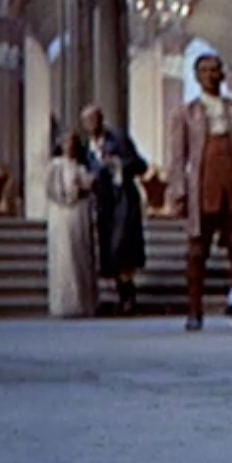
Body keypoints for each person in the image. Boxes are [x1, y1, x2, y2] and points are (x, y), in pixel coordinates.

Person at [168, 54, 232, 331]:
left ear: (223, 74)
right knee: (197, 253)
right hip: (203, 188)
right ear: (197, 76)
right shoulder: (186, 113)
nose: (210, 75)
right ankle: (194, 311)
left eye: (215, 70)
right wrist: (179, 192)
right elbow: (178, 157)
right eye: (204, 70)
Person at [80, 105, 147, 315]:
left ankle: (129, 296)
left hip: (124, 199)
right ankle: (122, 294)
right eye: (87, 121)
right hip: (104, 203)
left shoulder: (118, 139)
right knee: (109, 250)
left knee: (123, 246)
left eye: (94, 119)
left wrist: (118, 164)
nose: (91, 124)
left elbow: (140, 165)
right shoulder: (87, 147)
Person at [46, 131, 97, 318]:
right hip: (63, 215)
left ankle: (84, 303)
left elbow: (90, 188)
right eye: (67, 142)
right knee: (65, 257)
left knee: (80, 256)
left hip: (80, 215)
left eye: (73, 142)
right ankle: (65, 304)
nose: (70, 146)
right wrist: (74, 191)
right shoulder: (56, 166)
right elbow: (53, 190)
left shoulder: (81, 166)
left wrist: (88, 186)